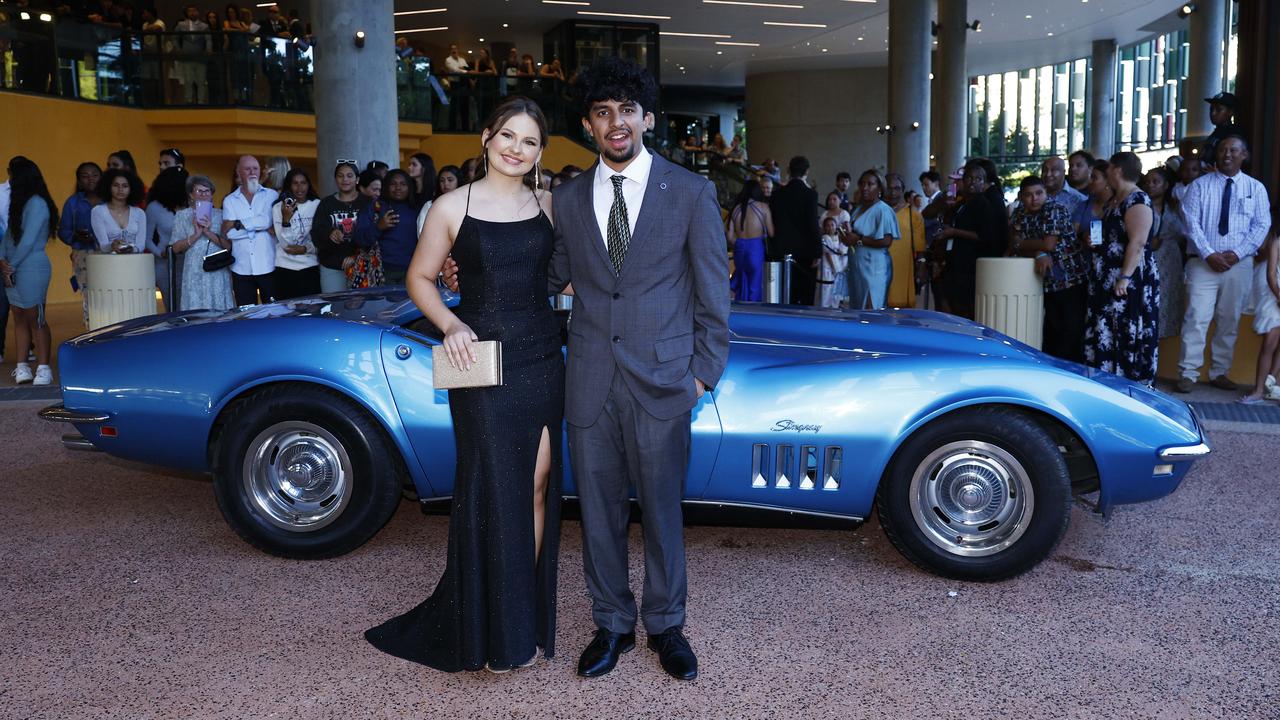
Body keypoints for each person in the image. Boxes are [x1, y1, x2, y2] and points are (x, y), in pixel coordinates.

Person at [365, 96, 564, 674]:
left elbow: (568, 273)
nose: (515, 149)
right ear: (485, 137)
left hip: (541, 357)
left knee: (538, 480)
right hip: (478, 362)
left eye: (528, 141)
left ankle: (518, 614)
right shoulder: (452, 206)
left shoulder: (549, 204)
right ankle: (492, 624)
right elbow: (419, 278)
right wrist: (451, 323)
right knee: (494, 486)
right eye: (507, 136)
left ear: (540, 152)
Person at [545, 56, 729, 682]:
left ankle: (666, 625)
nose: (615, 123)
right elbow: (551, 275)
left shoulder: (692, 192)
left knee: (662, 511)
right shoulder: (567, 197)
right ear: (588, 126)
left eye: (627, 110)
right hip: (590, 379)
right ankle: (611, 624)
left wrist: (703, 373)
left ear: (647, 118)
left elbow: (713, 292)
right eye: (602, 113)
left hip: (665, 381)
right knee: (596, 513)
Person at [1175, 136, 1272, 393]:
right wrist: (1209, 254)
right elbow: (1190, 222)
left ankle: (1220, 371)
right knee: (1196, 317)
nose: (1227, 154)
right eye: (1222, 150)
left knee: (1229, 319)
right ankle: (1188, 373)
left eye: (1233, 150)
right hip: (1202, 263)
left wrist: (1237, 253)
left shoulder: (1256, 188)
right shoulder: (1198, 186)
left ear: (1244, 156)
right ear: (1216, 155)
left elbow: (1262, 225)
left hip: (1238, 265)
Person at [1083, 152, 1159, 384]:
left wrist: (1124, 278)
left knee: (1124, 330)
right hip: (1105, 277)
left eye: (1109, 169)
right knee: (1105, 331)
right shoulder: (1114, 199)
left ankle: (1128, 384)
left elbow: (1137, 243)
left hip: (1127, 281)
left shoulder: (1137, 200)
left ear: (1117, 170)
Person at [1009, 176, 1087, 363]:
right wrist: (1036, 251)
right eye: (1028, 195)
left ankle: (1073, 375)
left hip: (1070, 278)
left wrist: (1024, 245)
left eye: (1038, 193)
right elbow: (1013, 241)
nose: (1034, 199)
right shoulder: (1019, 212)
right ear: (1021, 196)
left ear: (1046, 193)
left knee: (1070, 331)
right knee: (1051, 331)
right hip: (1044, 281)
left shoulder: (1055, 209)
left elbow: (1048, 244)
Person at [1, 158, 58, 386]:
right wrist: (2, 261)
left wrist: (9, 265)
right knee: (19, 316)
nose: (9, 179)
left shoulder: (38, 203)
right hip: (13, 267)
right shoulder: (18, 203)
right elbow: (8, 236)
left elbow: (28, 241)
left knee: (36, 317)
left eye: (11, 174)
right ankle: (22, 366)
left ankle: (44, 368)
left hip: (32, 266)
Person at [934, 160, 1005, 319]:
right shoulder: (962, 203)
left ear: (984, 182)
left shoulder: (983, 204)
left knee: (966, 310)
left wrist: (954, 232)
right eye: (969, 178)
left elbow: (985, 236)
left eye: (978, 179)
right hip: (956, 263)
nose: (973, 182)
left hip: (970, 266)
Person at [220, 155, 278, 305]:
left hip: (268, 264)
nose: (252, 172)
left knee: (273, 314)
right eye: (247, 169)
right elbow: (231, 234)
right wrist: (262, 227)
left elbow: (270, 222)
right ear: (239, 173)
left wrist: (239, 223)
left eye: (255, 168)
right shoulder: (230, 200)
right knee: (246, 316)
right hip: (241, 267)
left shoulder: (272, 196)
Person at [839, 169, 900, 310]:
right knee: (858, 309)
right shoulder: (859, 208)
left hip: (874, 268)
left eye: (870, 184)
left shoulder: (882, 210)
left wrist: (858, 239)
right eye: (862, 183)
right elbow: (856, 236)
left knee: (871, 310)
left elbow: (887, 241)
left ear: (879, 188)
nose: (865, 187)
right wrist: (846, 236)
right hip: (858, 266)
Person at [173, 174, 234, 311]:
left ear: (212, 195)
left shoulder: (221, 214)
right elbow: (175, 248)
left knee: (220, 312)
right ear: (191, 195)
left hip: (217, 269)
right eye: (199, 191)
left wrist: (208, 232)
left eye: (207, 191)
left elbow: (229, 246)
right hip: (194, 270)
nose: (203, 194)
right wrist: (196, 235)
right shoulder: (182, 216)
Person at [1142, 166, 1187, 340]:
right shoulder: (1140, 206)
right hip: (1149, 258)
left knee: (1169, 302)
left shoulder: (1175, 208)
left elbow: (1184, 234)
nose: (1150, 185)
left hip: (1171, 260)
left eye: (1155, 182)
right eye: (1147, 182)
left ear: (1166, 185)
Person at [770, 155, 820, 304]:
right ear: (807, 172)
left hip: (782, 250)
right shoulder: (810, 195)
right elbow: (812, 224)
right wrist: (817, 252)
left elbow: (774, 222)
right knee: (806, 298)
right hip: (805, 253)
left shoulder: (777, 194)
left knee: (785, 296)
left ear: (788, 171)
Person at [58, 162, 102, 326]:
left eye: (95, 175)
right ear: (79, 180)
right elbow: (63, 231)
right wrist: (76, 237)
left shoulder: (109, 200)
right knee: (89, 296)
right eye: (85, 176)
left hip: (107, 254)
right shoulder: (73, 203)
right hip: (82, 254)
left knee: (108, 292)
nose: (90, 179)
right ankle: (92, 329)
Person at [1240, 227, 1280, 404]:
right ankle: (1258, 390)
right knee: (1269, 343)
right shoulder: (1277, 241)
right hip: (1274, 294)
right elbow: (1271, 275)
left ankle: (1273, 385)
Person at [357, 168, 416, 285]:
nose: (398, 188)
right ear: (385, 186)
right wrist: (379, 227)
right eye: (393, 184)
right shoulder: (374, 207)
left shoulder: (416, 209)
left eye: (403, 184)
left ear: (409, 187)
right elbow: (360, 239)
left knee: (409, 303)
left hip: (411, 270)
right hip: (380, 270)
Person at [312, 161, 364, 293]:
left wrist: (357, 256)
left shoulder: (367, 202)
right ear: (336, 179)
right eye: (340, 176)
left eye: (349, 175)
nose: (345, 179)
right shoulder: (326, 204)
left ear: (357, 179)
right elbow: (316, 233)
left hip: (362, 265)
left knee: (362, 309)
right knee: (335, 308)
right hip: (331, 265)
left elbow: (374, 235)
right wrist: (329, 233)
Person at [145, 165, 190, 311]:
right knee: (173, 307)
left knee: (190, 304)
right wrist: (161, 253)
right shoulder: (154, 208)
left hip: (188, 263)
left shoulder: (190, 205)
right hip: (165, 264)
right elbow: (147, 238)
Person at [271, 168, 320, 299]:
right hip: (284, 267)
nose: (299, 187)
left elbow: (320, 240)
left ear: (309, 184)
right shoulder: (278, 208)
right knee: (287, 314)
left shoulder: (317, 205)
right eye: (295, 183)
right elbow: (286, 245)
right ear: (289, 185)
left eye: (303, 183)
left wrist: (306, 248)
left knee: (312, 312)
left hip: (310, 266)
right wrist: (286, 220)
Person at [725, 179, 773, 302]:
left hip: (739, 247)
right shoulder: (763, 207)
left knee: (741, 280)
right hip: (755, 247)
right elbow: (771, 232)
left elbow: (729, 236)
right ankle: (753, 316)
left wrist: (741, 243)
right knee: (754, 286)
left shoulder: (735, 209)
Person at [884, 172, 926, 308]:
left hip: (903, 268)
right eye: (889, 188)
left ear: (902, 190)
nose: (892, 192)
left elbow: (920, 247)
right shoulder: (878, 210)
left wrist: (920, 266)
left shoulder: (913, 215)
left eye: (896, 188)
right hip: (878, 268)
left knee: (901, 312)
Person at [91, 169, 147, 253]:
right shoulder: (98, 211)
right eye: (116, 185)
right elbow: (103, 246)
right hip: (109, 263)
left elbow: (141, 245)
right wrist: (112, 246)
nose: (120, 189)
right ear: (108, 187)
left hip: (136, 263)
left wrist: (131, 249)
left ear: (131, 189)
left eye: (125, 186)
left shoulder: (139, 213)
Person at [815, 215, 848, 308]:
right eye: (828, 225)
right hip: (827, 266)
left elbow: (836, 250)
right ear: (824, 227)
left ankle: (834, 306)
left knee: (835, 288)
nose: (830, 227)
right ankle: (823, 306)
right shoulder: (825, 238)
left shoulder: (837, 237)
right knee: (826, 288)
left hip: (837, 265)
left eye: (832, 225)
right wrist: (833, 267)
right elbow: (828, 253)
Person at [1201, 92, 1240, 162]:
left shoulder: (1233, 134)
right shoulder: (1217, 132)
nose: (1213, 113)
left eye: (1218, 110)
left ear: (1231, 112)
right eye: (1211, 109)